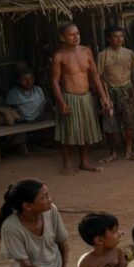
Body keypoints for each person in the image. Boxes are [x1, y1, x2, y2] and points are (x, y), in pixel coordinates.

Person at [50, 23, 112, 175]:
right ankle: (67, 164)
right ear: (62, 38)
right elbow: (54, 81)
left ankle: (84, 162)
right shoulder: (59, 56)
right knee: (67, 131)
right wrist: (61, 102)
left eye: (77, 33)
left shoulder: (86, 51)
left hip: (86, 98)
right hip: (69, 97)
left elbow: (95, 75)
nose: (76, 36)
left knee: (86, 130)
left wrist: (104, 96)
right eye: (71, 34)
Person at [0, 179, 68, 267]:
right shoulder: (11, 228)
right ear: (28, 206)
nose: (50, 199)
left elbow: (62, 242)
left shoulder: (51, 210)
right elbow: (26, 266)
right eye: (44, 197)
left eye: (48, 195)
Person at [96, 25, 134, 162]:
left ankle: (128, 151)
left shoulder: (129, 53)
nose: (119, 39)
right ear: (109, 39)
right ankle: (113, 152)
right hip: (109, 91)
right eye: (115, 36)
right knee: (110, 123)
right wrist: (103, 96)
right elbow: (99, 76)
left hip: (127, 90)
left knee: (130, 121)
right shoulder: (102, 55)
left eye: (121, 36)